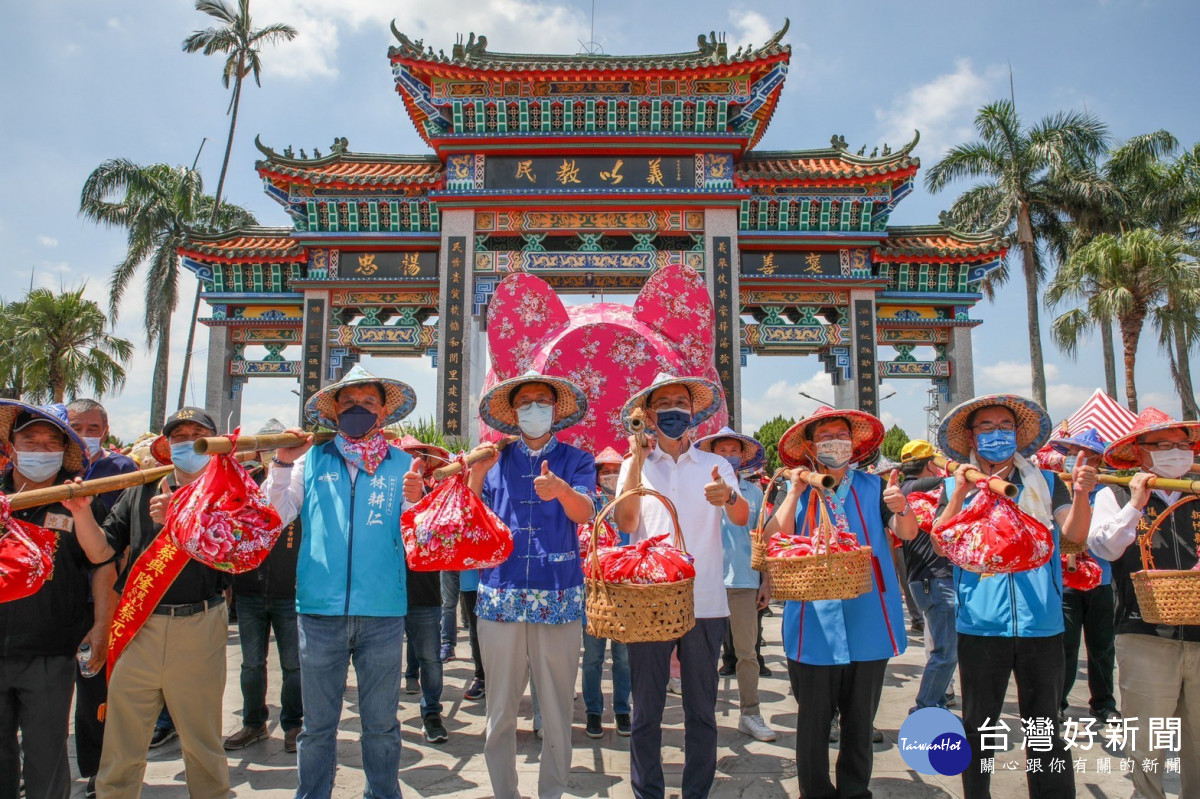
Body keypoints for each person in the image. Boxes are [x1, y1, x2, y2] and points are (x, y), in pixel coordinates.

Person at [265, 365, 422, 799]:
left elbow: (417, 534)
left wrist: (418, 500)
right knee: (317, 728)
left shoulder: (405, 465)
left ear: (384, 412)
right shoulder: (311, 459)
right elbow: (277, 513)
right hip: (319, 612)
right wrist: (281, 463)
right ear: (333, 412)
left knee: (382, 726)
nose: (359, 409)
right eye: (349, 403)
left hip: (383, 613)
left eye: (368, 402)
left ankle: (383, 794)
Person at [64, 407, 234, 798]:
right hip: (139, 624)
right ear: (166, 443)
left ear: (214, 441)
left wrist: (183, 521)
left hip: (199, 623)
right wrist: (82, 515)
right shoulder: (142, 487)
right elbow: (101, 551)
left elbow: (238, 559)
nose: (188, 441)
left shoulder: (227, 490)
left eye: (198, 433)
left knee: (202, 738)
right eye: (179, 435)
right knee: (122, 739)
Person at [934, 394, 1097, 799]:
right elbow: (941, 543)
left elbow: (1074, 537)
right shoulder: (956, 483)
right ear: (971, 436)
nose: (995, 434)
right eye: (985, 427)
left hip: (1041, 624)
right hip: (980, 625)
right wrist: (959, 491)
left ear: (1018, 433)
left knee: (1044, 727)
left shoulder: (1044, 482)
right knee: (978, 727)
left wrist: (1079, 494)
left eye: (1004, 426)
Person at [765, 406, 917, 798]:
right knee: (813, 724)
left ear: (854, 443)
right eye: (828, 435)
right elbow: (770, 538)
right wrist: (796, 491)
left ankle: (854, 791)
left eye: (843, 435)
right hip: (812, 621)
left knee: (860, 722)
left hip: (869, 617)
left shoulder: (875, 487)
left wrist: (902, 508)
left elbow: (908, 531)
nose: (837, 441)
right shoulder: (795, 487)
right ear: (812, 446)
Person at [614, 373, 750, 799]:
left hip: (704, 601)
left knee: (701, 711)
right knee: (647, 710)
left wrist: (727, 497)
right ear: (650, 415)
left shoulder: (716, 465)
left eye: (682, 402)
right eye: (665, 403)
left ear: (693, 414)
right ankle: (647, 792)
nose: (674, 409)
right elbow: (626, 523)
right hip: (648, 602)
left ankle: (697, 792)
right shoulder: (633, 465)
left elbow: (743, 518)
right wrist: (637, 459)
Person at [467, 370, 596, 799]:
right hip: (499, 595)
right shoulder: (494, 458)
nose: (535, 407)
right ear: (514, 411)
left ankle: (552, 792)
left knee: (557, 711)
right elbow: (473, 521)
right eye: (526, 402)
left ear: (556, 410)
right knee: (500, 709)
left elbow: (584, 514)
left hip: (557, 595)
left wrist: (560, 489)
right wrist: (476, 473)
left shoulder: (577, 460)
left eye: (543, 400)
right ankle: (505, 792)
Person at [1087, 408, 1200, 799]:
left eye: (1181, 445)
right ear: (1139, 452)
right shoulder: (1114, 492)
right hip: (1144, 633)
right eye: (1163, 445)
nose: (1175, 452)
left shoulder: (1197, 488)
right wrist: (1136, 504)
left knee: (1199, 744)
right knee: (1148, 741)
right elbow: (1103, 546)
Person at [0, 401, 100, 799]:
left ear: (62, 451)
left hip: (50, 652)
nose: (40, 450)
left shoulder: (77, 499)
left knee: (46, 756)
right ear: (11, 446)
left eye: (49, 444)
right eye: (30, 441)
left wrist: (101, 626)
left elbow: (103, 562)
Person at [66, 398, 137, 795]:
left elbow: (118, 542)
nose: (84, 435)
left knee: (96, 690)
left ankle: (98, 771)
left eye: (92, 428)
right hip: (52, 593)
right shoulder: (57, 468)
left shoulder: (122, 470)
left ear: (105, 431)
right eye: (76, 427)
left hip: (102, 593)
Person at [224, 419, 304, 754]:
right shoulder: (244, 484)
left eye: (282, 447)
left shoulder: (301, 482)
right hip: (250, 590)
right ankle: (254, 723)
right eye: (269, 447)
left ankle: (293, 724)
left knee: (293, 664)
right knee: (251, 664)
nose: (275, 453)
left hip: (290, 591)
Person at [695, 426, 774, 743]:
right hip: (704, 581)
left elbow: (762, 540)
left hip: (743, 582)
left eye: (734, 451)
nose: (728, 456)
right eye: (721, 451)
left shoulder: (754, 493)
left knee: (747, 653)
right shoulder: (697, 488)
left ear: (743, 457)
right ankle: (701, 717)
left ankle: (750, 713)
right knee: (702, 655)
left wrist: (766, 580)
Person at [1046, 428, 1120, 727]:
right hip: (1065, 580)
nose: (1078, 460)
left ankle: (1103, 703)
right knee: (1065, 645)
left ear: (1100, 461)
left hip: (1101, 579)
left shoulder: (1109, 491)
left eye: (1088, 455)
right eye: (1071, 453)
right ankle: (1058, 703)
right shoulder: (1055, 488)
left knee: (1102, 646)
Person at [397, 436, 452, 745]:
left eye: (421, 457)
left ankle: (432, 714)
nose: (415, 462)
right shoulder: (381, 495)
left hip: (425, 591)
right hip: (385, 592)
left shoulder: (437, 497)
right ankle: (382, 720)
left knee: (431, 658)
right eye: (408, 456)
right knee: (382, 660)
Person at [896, 439, 957, 713]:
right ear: (931, 464)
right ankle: (926, 706)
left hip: (924, 578)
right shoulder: (921, 487)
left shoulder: (904, 489)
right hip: (934, 577)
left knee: (942, 648)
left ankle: (938, 701)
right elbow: (954, 479)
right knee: (945, 652)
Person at [581, 445, 632, 738]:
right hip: (594, 590)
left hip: (625, 591)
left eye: (616, 471)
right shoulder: (590, 503)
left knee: (623, 656)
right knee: (593, 656)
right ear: (596, 476)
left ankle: (623, 710)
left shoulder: (630, 502)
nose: (610, 476)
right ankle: (593, 711)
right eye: (606, 471)